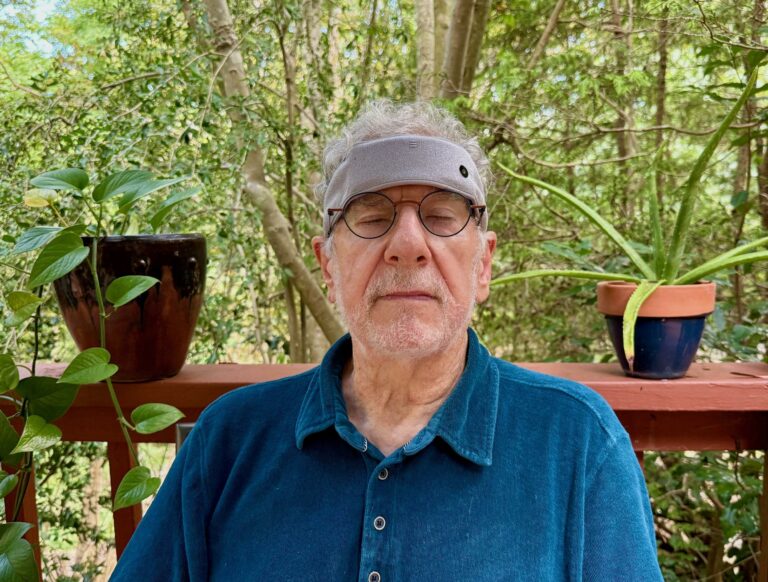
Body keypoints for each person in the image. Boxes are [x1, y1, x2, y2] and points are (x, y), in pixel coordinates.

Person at [111, 101, 663, 581]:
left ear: (484, 264)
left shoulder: (577, 442)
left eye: (442, 216)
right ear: (328, 264)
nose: (407, 245)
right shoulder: (230, 441)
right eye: (371, 216)